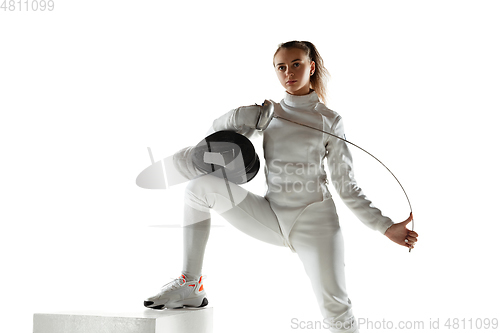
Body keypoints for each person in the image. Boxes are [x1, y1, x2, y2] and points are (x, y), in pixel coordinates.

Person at [143, 40, 419, 333]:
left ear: (311, 67)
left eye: (296, 64)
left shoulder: (329, 120)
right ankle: (190, 284)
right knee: (199, 189)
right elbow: (213, 137)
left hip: (316, 224)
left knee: (336, 312)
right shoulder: (268, 114)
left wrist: (386, 226)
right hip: (273, 215)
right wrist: (242, 116)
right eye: (282, 67)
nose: (289, 72)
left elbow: (345, 185)